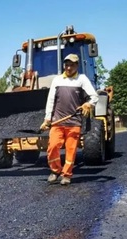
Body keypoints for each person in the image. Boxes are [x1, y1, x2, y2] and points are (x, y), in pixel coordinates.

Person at [40, 54, 99, 185]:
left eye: (71, 65)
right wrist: (47, 119)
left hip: (74, 122)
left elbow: (94, 96)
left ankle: (66, 175)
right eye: (66, 64)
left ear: (77, 66)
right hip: (58, 121)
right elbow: (51, 100)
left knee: (71, 150)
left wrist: (88, 104)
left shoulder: (82, 79)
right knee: (53, 146)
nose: (68, 67)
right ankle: (55, 170)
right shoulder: (57, 80)